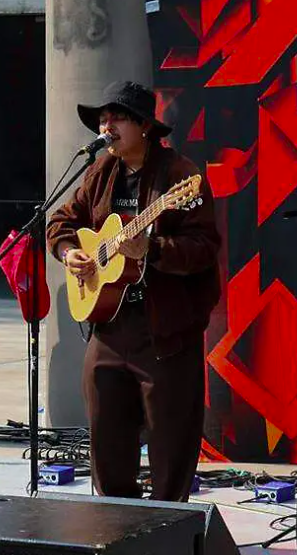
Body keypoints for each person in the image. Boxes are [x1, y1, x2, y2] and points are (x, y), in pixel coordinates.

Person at [45, 81, 220, 502]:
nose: (106, 127)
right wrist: (69, 252)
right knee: (106, 437)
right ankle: (114, 522)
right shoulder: (100, 171)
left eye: (117, 118)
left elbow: (204, 249)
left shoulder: (181, 176)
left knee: (170, 442)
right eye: (102, 120)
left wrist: (152, 249)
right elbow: (60, 222)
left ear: (144, 126)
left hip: (165, 330)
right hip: (110, 326)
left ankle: (168, 524)